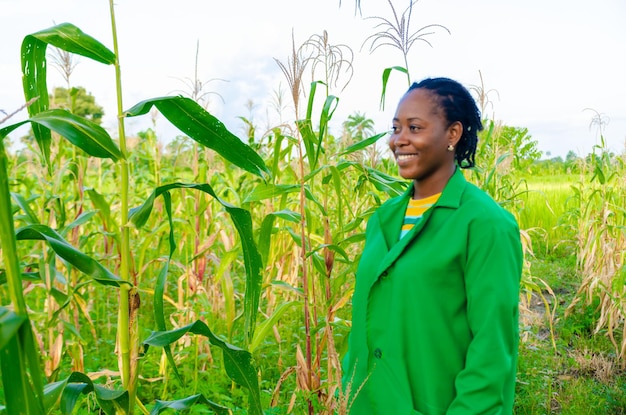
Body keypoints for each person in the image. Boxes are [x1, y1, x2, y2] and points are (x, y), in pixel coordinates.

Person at [341, 77, 523, 414]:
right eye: (396, 128)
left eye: (414, 127)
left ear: (452, 134)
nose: (399, 140)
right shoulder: (383, 219)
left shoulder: (485, 225)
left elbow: (492, 351)